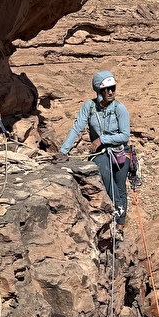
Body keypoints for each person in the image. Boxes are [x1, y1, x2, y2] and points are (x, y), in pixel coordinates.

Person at [60, 71, 132, 231]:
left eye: (113, 88)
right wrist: (63, 151)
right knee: (104, 173)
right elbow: (77, 127)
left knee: (120, 186)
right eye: (107, 89)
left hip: (120, 151)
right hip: (100, 153)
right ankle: (115, 208)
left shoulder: (120, 109)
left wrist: (102, 140)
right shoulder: (90, 106)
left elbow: (124, 135)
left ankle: (120, 226)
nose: (111, 92)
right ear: (99, 91)